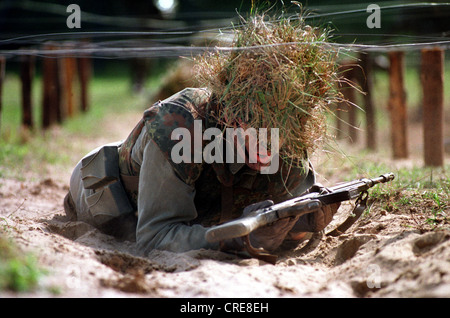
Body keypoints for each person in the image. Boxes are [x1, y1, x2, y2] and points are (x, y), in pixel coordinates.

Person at [64, 12, 341, 261]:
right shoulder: (180, 126)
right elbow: (154, 238)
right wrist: (236, 238)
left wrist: (304, 223)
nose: (268, 154)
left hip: (201, 208)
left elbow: (282, 221)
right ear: (232, 119)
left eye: (276, 140)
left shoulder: (289, 145)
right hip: (107, 196)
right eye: (258, 138)